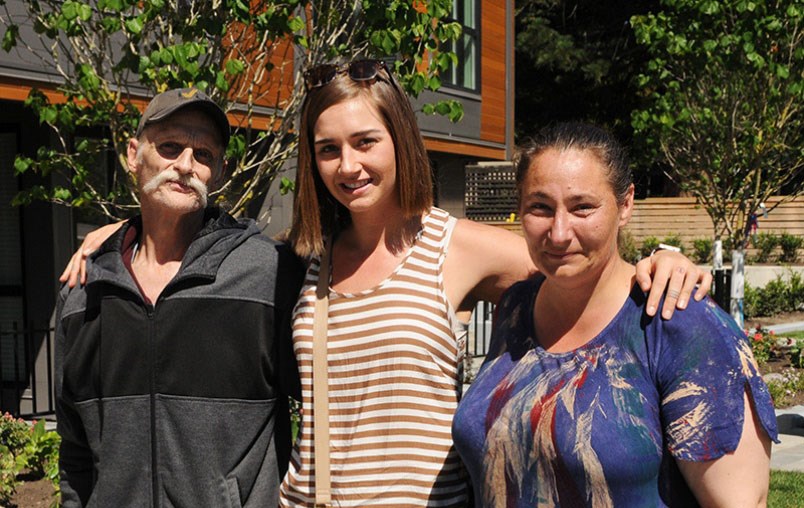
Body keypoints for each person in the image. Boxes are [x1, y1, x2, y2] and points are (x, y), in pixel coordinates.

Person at [61, 62, 712, 507]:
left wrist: (657, 259)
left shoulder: (455, 246)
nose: (349, 166)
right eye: (327, 149)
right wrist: (114, 235)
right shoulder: (302, 263)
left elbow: (571, 258)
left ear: (399, 140)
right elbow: (183, 242)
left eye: (365, 141)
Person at [452, 122, 777, 507]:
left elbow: (740, 502)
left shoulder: (677, 324)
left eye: (582, 207)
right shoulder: (515, 310)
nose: (559, 232)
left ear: (625, 205)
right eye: (539, 207)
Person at [54, 88, 303, 507]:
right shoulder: (83, 289)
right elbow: (75, 450)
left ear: (219, 172)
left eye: (203, 154)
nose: (186, 165)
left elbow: (329, 411)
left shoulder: (268, 274)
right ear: (134, 154)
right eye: (170, 147)